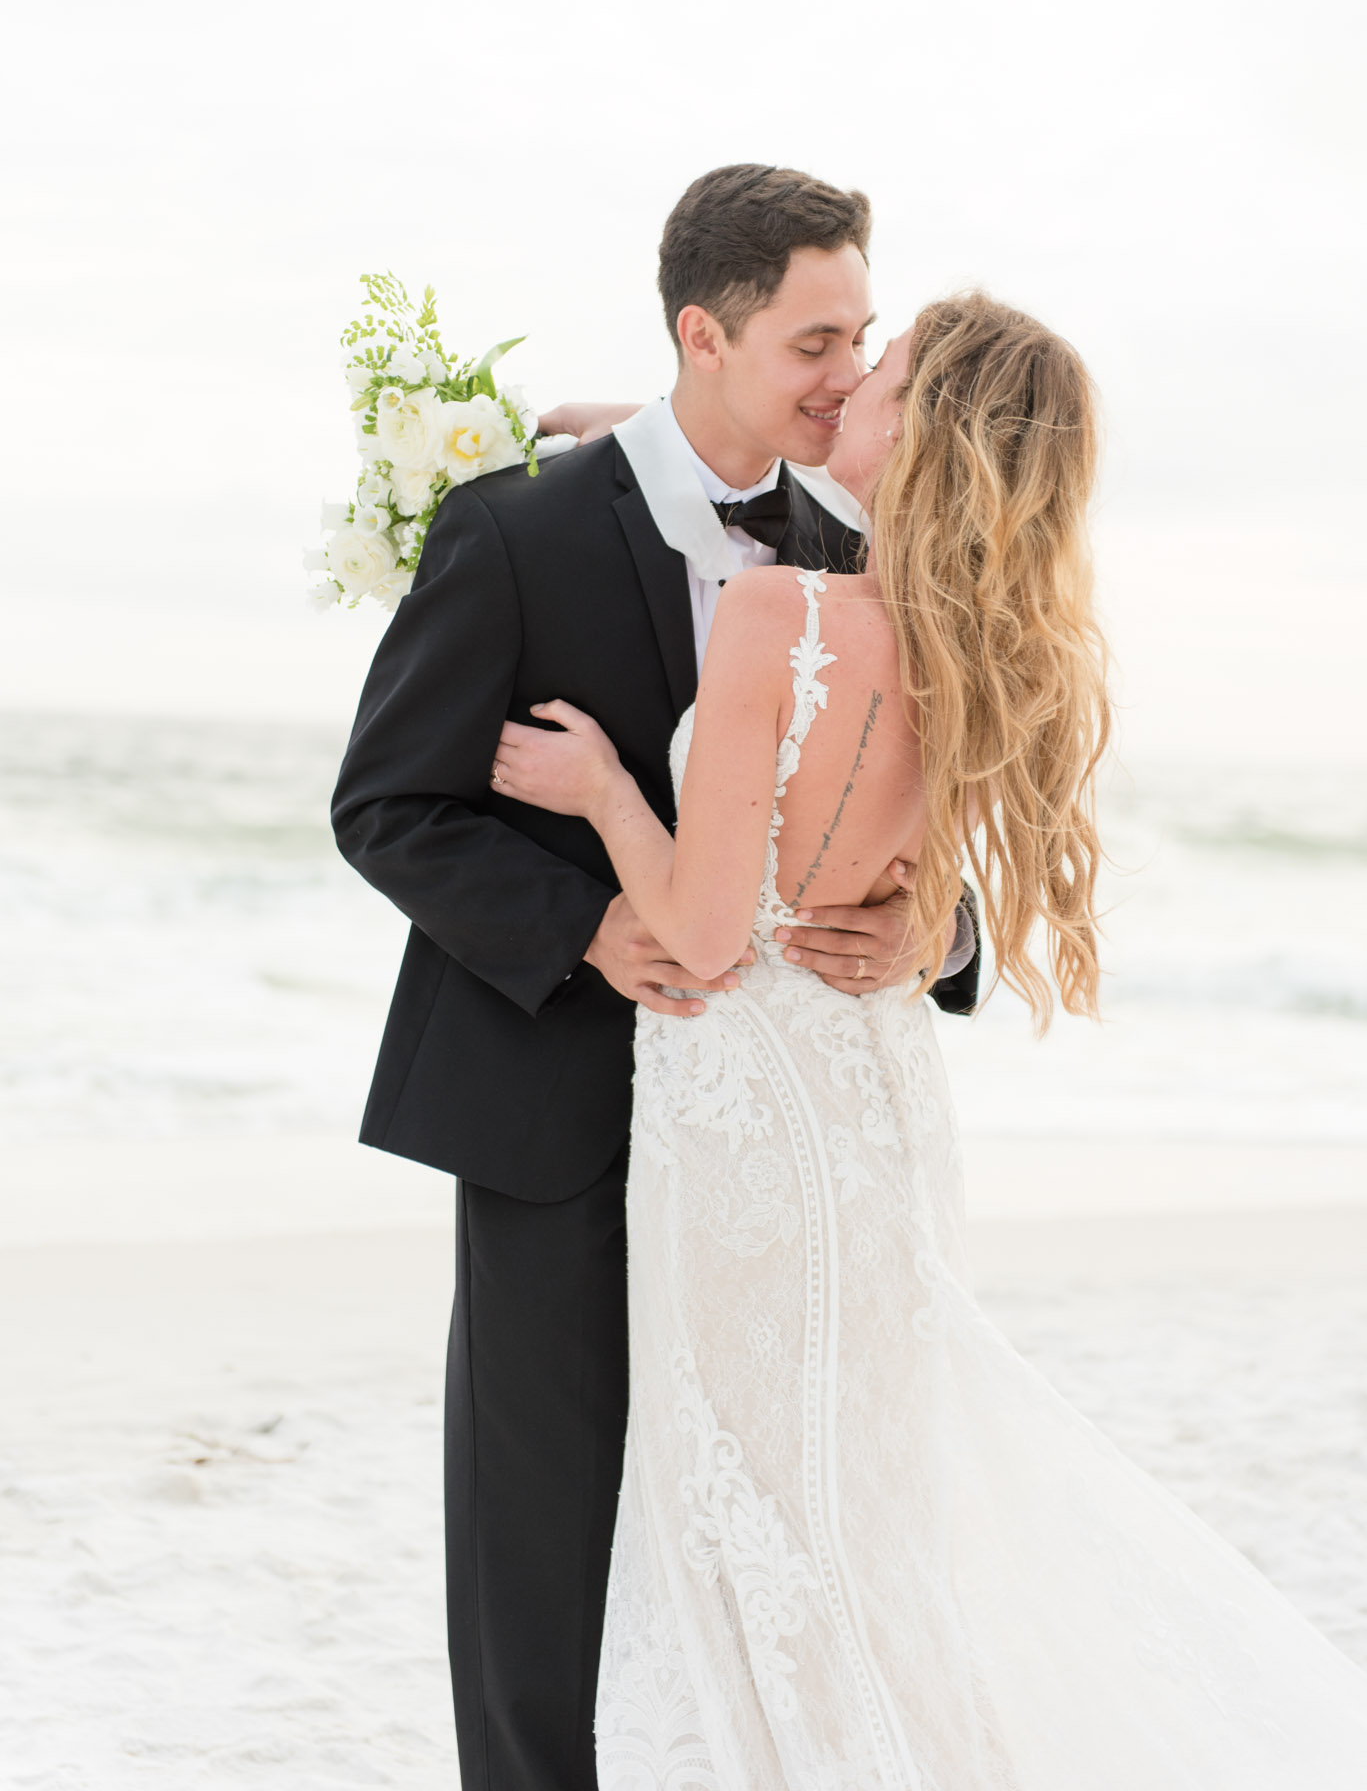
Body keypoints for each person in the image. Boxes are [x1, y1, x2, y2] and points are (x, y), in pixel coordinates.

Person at [490, 294, 1367, 1785]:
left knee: (756, 1508)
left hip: (745, 1113)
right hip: (871, 1098)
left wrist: (601, 795)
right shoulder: (986, 651)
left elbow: (704, 937)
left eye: (877, 379)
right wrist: (620, 441)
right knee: (863, 1507)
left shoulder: (782, 617)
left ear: (925, 433)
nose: (846, 399)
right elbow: (903, 874)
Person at [330, 165, 978, 1791]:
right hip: (554, 1106)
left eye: (863, 337)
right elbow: (387, 803)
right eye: (815, 340)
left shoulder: (882, 545)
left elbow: (978, 821)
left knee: (798, 1523)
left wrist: (940, 937)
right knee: (539, 1536)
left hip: (786, 1141)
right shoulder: (516, 530)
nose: (848, 372)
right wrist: (577, 932)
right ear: (707, 331)